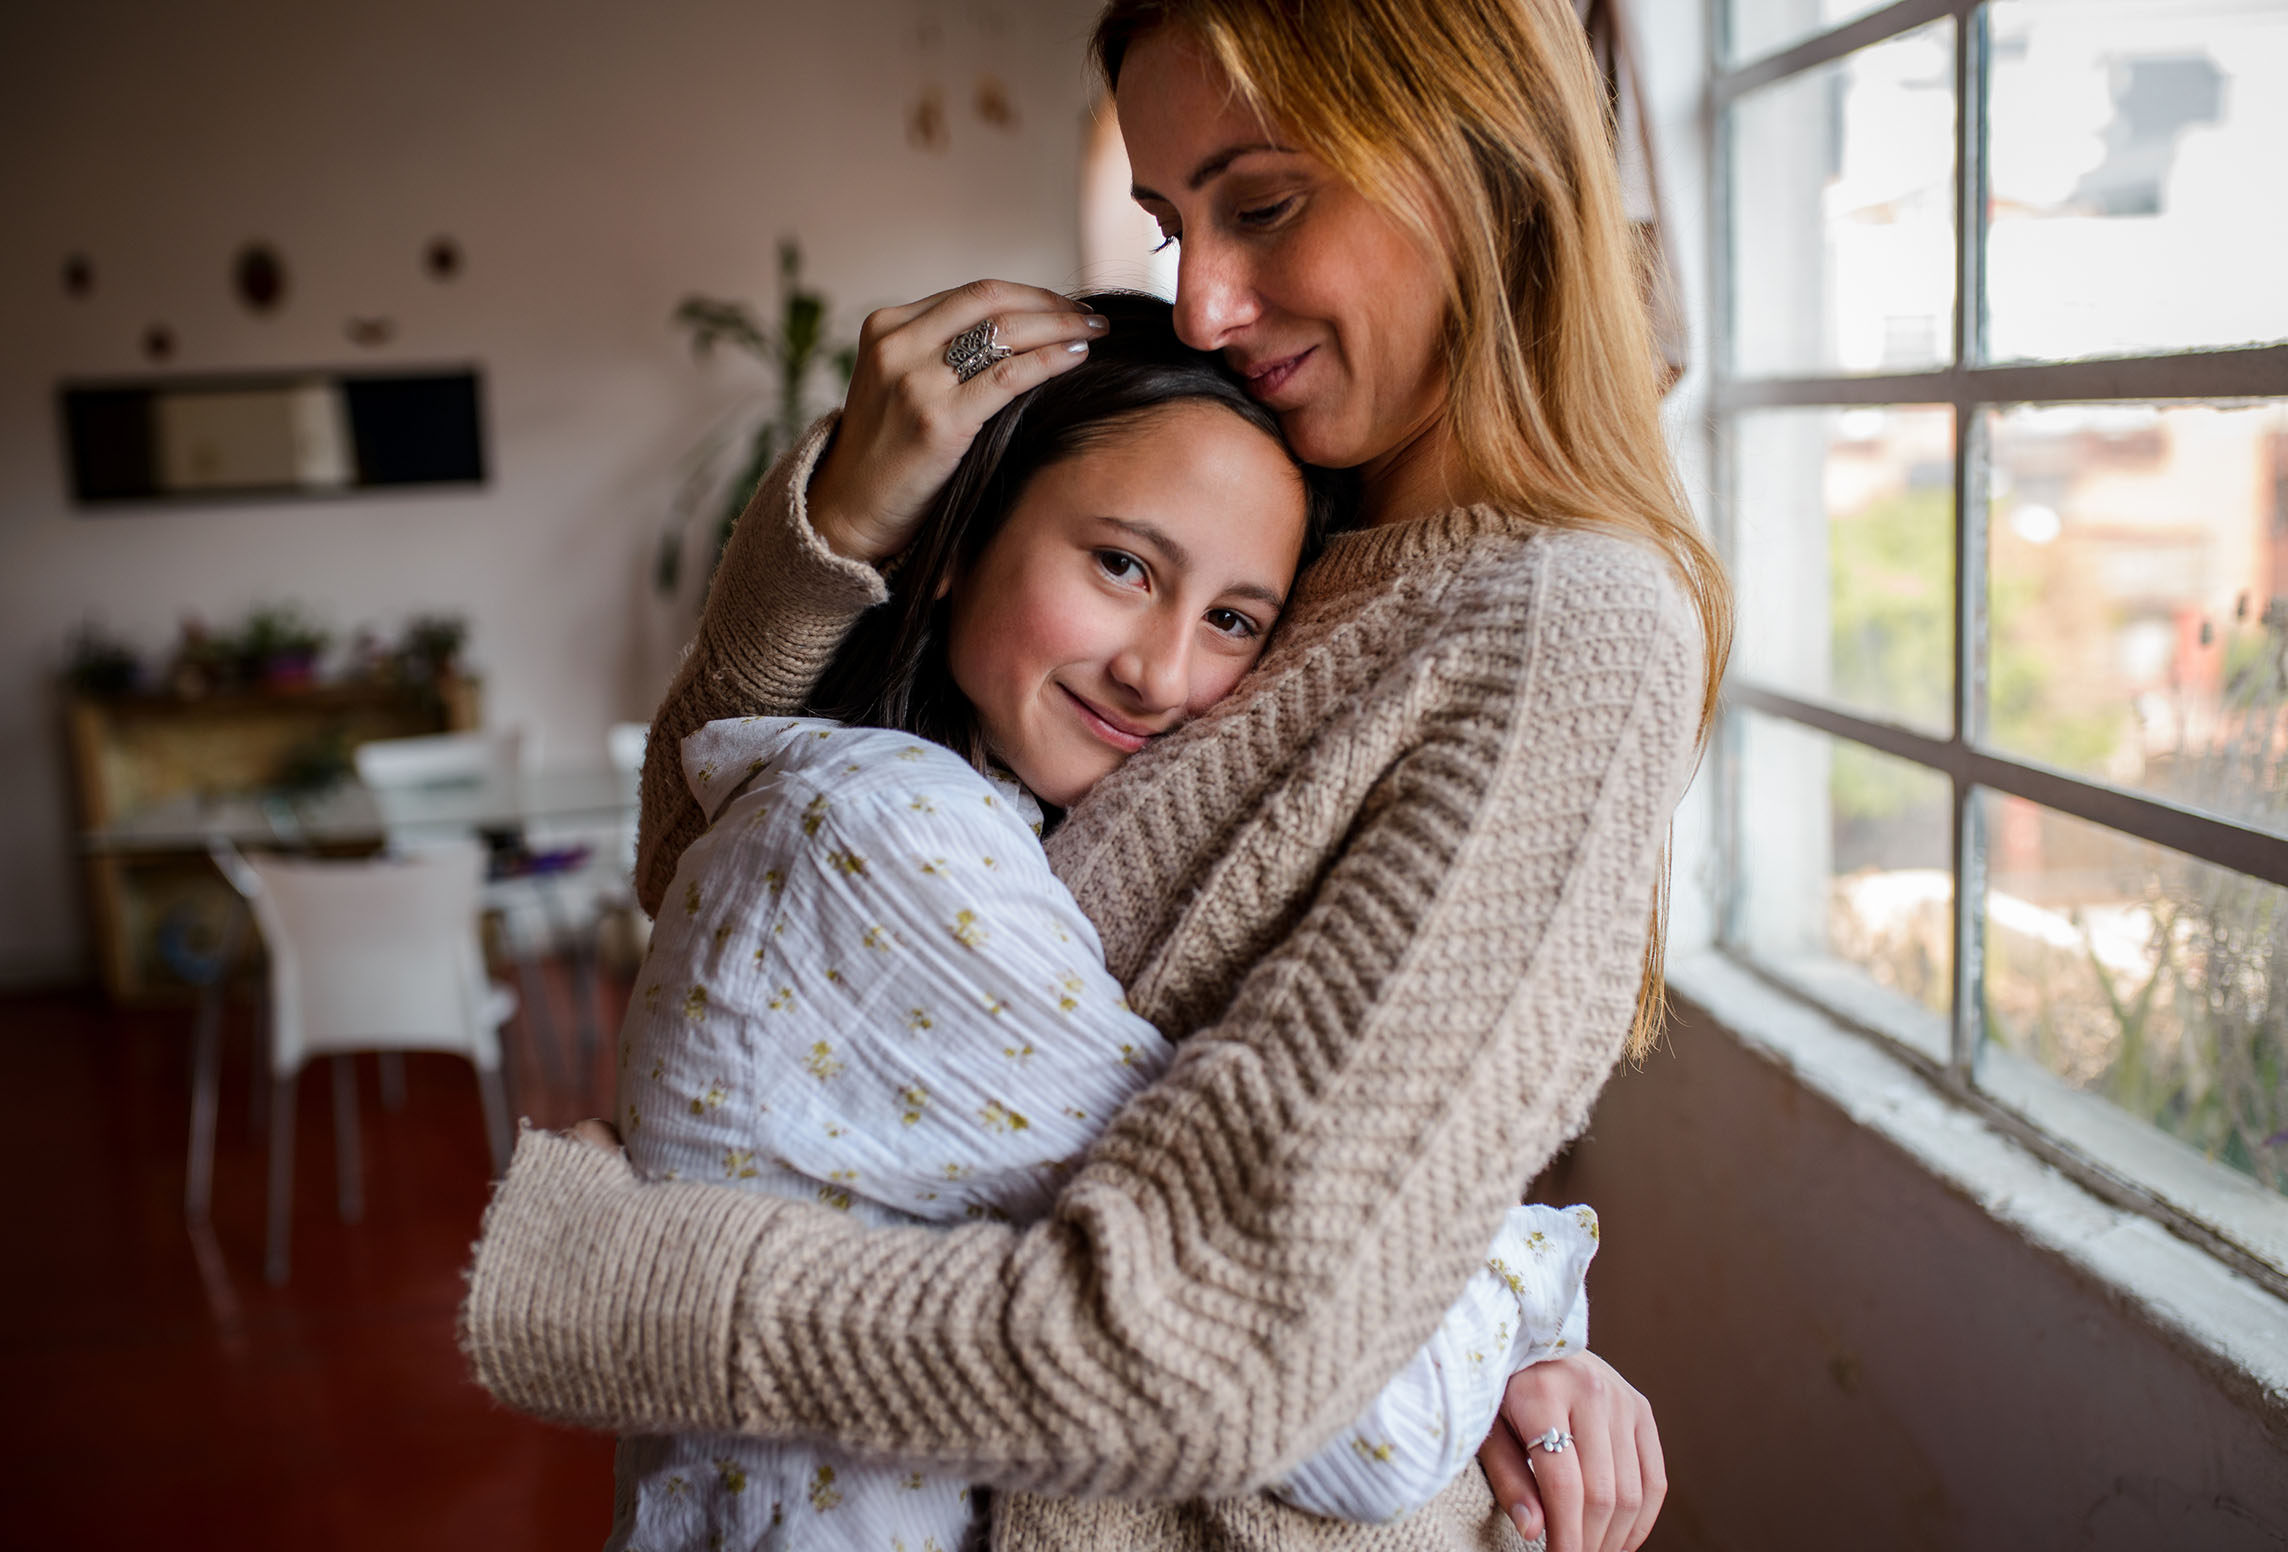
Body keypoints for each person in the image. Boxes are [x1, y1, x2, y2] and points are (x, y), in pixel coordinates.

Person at [462, 3, 1730, 1551]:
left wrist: (636, 1293)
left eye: (1261, 205)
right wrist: (846, 538)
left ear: (1483, 157)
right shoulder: (1290, 513)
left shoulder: (1559, 630)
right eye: (1168, 223)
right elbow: (707, 851)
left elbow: (1221, 1348)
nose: (1198, 304)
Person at [610, 294, 1602, 1552]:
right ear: (961, 537)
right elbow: (1353, 1406)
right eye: (1123, 566)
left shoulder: (949, 817)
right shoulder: (887, 843)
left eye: (1233, 619)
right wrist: (1534, 1267)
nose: (1162, 671)